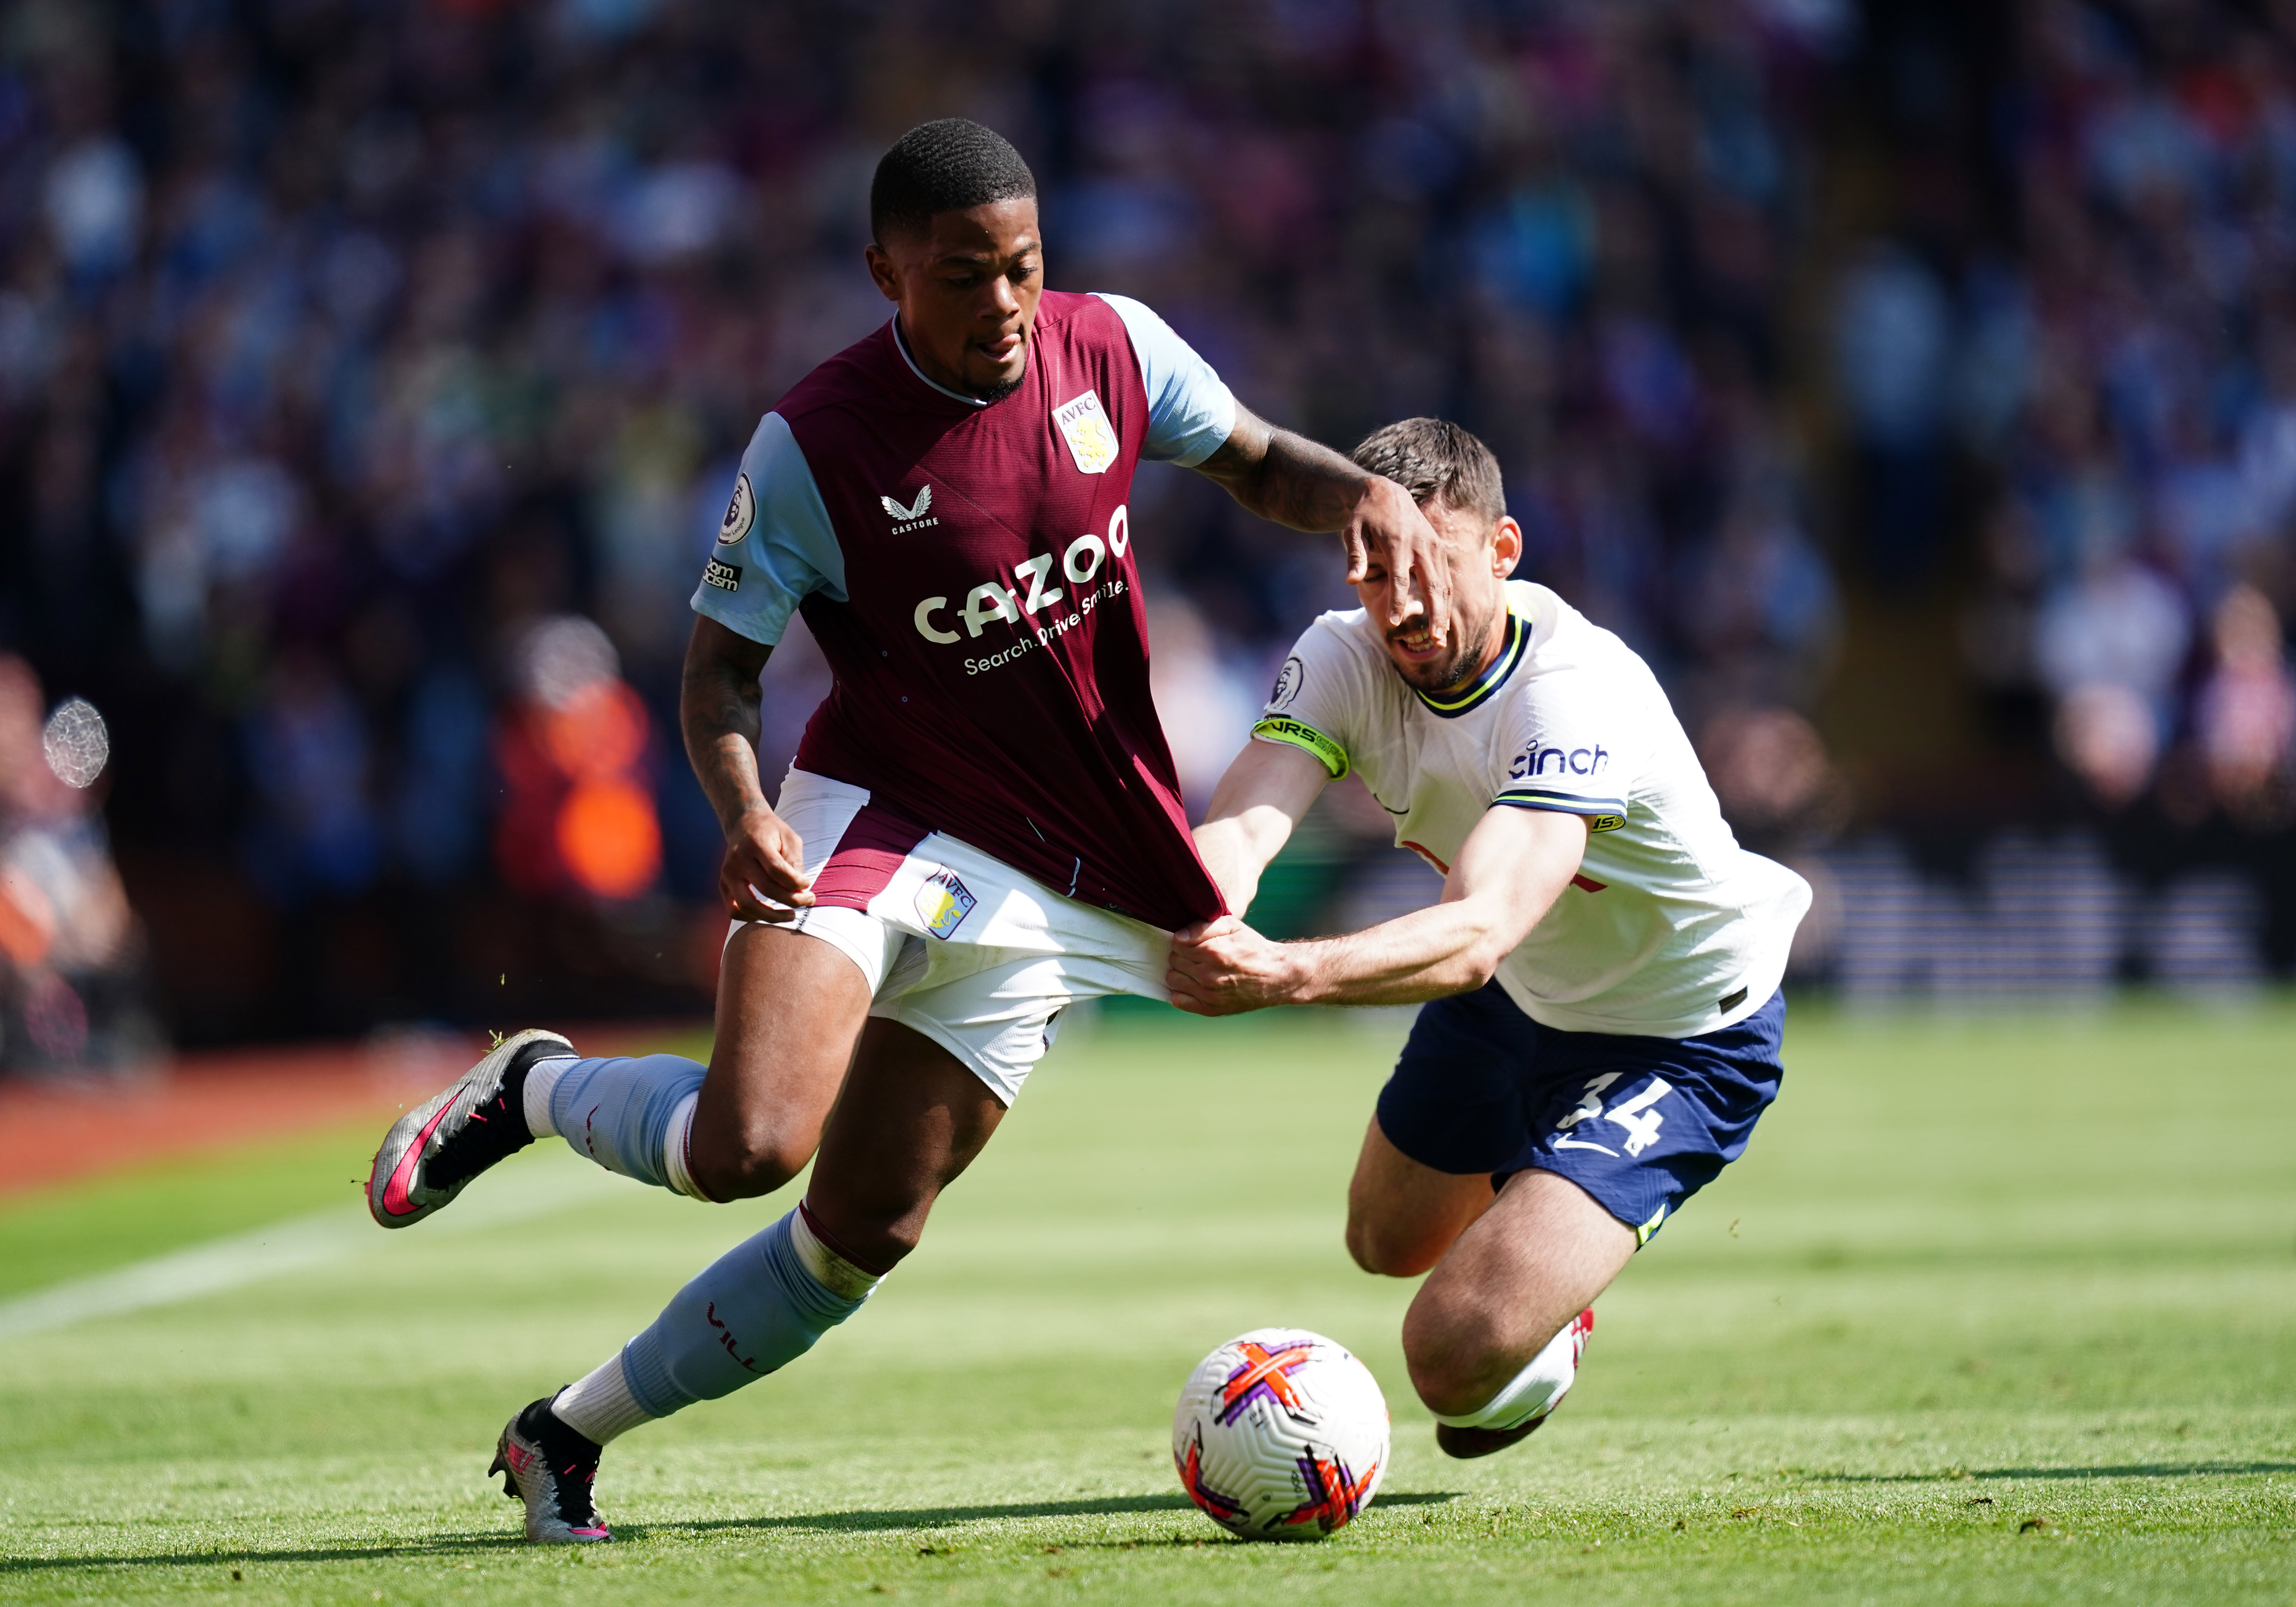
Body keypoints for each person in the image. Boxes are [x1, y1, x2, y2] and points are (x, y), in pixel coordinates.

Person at [362, 119, 1449, 1544]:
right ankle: (533, 1088)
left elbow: (1252, 460)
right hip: (882, 816)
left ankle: (563, 1434)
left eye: (1023, 267)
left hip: (1076, 856)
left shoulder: (1113, 348)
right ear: (886, 272)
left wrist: (1368, 496)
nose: (1004, 303)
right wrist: (747, 811)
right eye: (961, 275)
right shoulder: (814, 445)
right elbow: (718, 673)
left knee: (858, 1235)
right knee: (747, 1145)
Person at [1167, 418, 1810, 1458]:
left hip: (1680, 1033)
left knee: (1453, 1355)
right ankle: (1536, 1219)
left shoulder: (1574, 688)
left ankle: (1549, 1284)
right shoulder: (1340, 654)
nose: (1404, 603)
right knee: (1383, 1240)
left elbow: (1477, 933)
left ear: (1503, 550)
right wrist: (1204, 910)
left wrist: (1286, 972)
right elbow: (1244, 827)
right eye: (1377, 571)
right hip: (1520, 993)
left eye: (1433, 565)